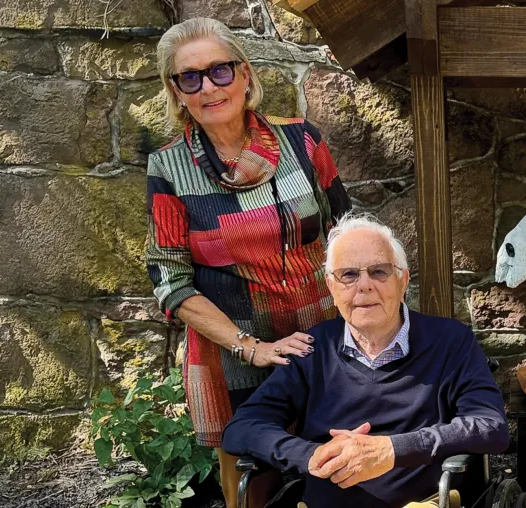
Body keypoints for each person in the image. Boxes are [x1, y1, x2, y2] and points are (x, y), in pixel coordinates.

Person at [145, 17, 351, 507]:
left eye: (219, 70)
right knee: (255, 491)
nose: (208, 87)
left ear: (244, 74)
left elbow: (347, 233)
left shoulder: (302, 141)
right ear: (176, 92)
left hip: (323, 338)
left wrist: (363, 328)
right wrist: (251, 348)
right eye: (190, 77)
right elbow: (171, 282)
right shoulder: (168, 168)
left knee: (342, 474)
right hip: (237, 356)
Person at [222, 215, 510, 508]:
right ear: (331, 287)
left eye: (379, 271)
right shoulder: (311, 349)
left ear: (403, 280)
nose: (364, 286)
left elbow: (489, 425)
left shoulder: (450, 341)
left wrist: (392, 450)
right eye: (348, 275)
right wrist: (310, 455)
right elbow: (242, 427)